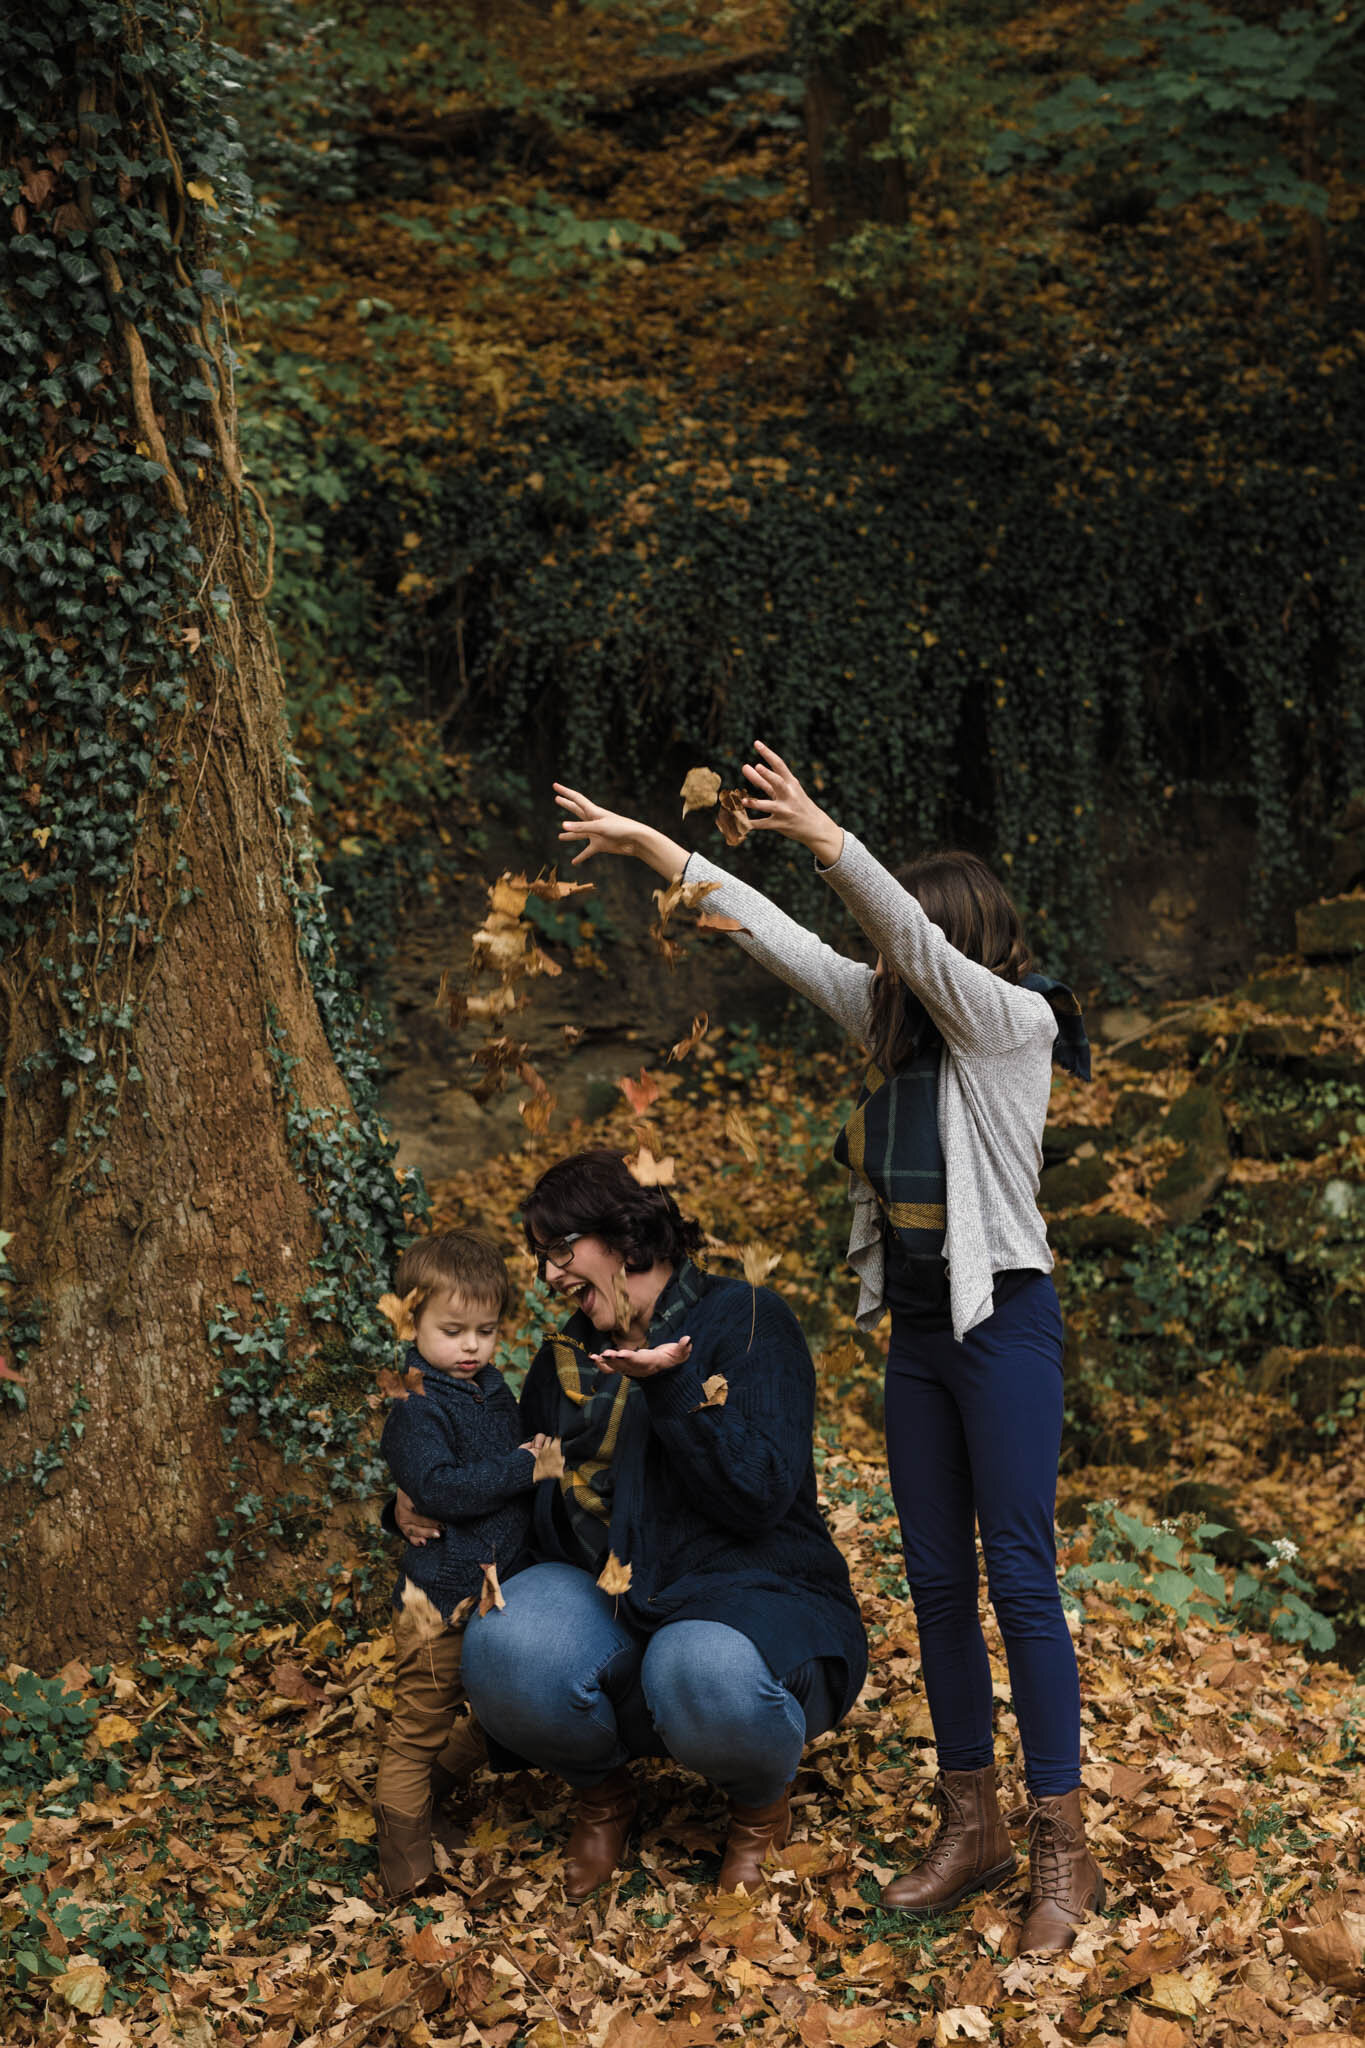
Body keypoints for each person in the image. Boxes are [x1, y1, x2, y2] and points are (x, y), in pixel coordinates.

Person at [551, 744, 1103, 1955]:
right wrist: (661, 849)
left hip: (1004, 1329)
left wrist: (823, 834)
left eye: (913, 955)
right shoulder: (896, 1028)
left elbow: (901, 939)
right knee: (939, 1585)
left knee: (1019, 1577)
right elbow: (778, 938)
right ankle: (976, 1825)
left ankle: (1063, 1846)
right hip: (920, 1341)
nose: (884, 976)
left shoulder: (1013, 1026)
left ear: (954, 947)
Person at [401, 1149, 869, 1900]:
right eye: (540, 1259)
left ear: (621, 1234)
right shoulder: (565, 1352)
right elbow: (511, 1471)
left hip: (749, 1596)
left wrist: (674, 1385)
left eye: (559, 1251)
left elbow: (760, 1494)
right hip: (612, 1598)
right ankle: (603, 1792)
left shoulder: (745, 1318)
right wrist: (421, 1495)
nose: (549, 1276)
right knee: (504, 1644)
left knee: (695, 1667)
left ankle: (757, 1807)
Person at [373, 1229, 543, 1898]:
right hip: (436, 1597)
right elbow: (439, 1488)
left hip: (497, 1590)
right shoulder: (416, 1404)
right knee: (420, 1721)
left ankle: (429, 1797)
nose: (470, 1346)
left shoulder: (493, 1391)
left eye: (485, 1330)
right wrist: (524, 1465)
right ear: (410, 1321)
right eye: (452, 1330)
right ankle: (401, 1848)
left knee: (498, 1712)